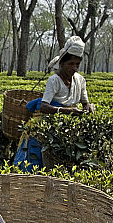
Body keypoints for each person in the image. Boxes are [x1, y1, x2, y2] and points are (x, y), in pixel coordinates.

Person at [13, 36, 95, 171]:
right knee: (37, 164)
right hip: (45, 127)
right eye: (70, 64)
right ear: (62, 63)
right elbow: (44, 106)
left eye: (77, 64)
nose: (74, 68)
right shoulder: (54, 80)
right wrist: (65, 111)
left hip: (67, 129)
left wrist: (88, 107)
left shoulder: (80, 80)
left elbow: (85, 102)